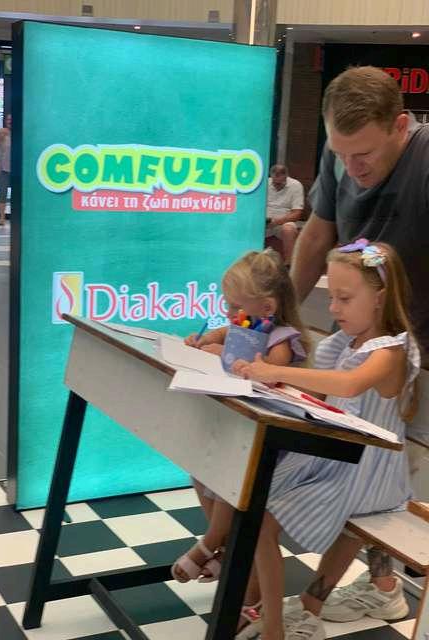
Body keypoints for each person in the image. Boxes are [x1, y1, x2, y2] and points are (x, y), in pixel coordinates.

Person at [290, 64, 429, 627]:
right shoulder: (340, 153)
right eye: (341, 153)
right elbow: (316, 235)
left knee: (401, 482)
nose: (352, 168)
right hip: (365, 343)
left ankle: (385, 586)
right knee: (374, 475)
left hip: (416, 353)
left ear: (400, 125)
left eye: (364, 154)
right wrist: (282, 323)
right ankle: (383, 585)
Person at [233, 240, 420, 640]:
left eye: (344, 298)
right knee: (254, 506)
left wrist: (274, 372)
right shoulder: (347, 343)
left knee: (260, 520)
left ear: (380, 297)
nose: (333, 308)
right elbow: (320, 394)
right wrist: (272, 384)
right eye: (331, 296)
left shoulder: (390, 350)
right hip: (342, 458)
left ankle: (276, 626)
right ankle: (287, 611)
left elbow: (349, 385)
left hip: (367, 469)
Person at [170, 249, 309, 637]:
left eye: (235, 306)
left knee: (232, 486)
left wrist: (224, 357)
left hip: (271, 445)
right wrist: (201, 341)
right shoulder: (243, 325)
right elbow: (217, 337)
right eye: (227, 305)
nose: (229, 313)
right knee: (202, 472)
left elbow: (268, 374)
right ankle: (228, 550)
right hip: (240, 434)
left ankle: (214, 543)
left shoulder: (281, 340)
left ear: (267, 307)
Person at [265, 165, 304, 267]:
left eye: (280, 183)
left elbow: (297, 213)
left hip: (284, 221)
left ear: (286, 176)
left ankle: (289, 264)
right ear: (271, 176)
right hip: (266, 220)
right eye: (275, 183)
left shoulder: (296, 185)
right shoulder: (265, 183)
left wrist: (276, 222)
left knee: (288, 230)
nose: (277, 185)